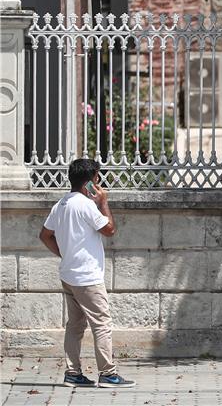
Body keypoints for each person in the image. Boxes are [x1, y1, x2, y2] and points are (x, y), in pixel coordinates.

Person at [39, 158, 135, 389]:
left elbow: (44, 235)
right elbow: (110, 230)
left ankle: (73, 373)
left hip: (69, 275)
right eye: (97, 179)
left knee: (75, 325)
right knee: (101, 324)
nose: (99, 183)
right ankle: (108, 374)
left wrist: (66, 254)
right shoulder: (85, 205)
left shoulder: (61, 204)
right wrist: (103, 202)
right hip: (87, 278)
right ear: (90, 183)